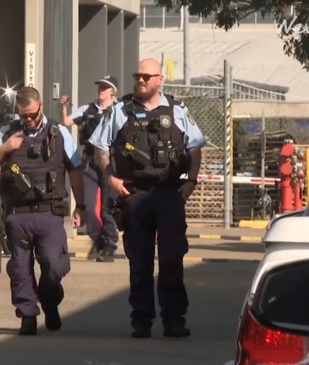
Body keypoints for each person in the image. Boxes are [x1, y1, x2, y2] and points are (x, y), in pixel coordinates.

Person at [88, 58, 206, 339]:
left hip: (168, 195)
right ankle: (141, 320)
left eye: (146, 76)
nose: (140, 80)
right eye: (137, 75)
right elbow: (100, 148)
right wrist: (111, 179)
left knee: (172, 260)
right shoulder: (119, 110)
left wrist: (190, 182)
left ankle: (174, 319)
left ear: (160, 79)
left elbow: (195, 146)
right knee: (139, 263)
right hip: (135, 195)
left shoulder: (177, 110)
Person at [0, 86, 85, 336]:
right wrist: (5, 148)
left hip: (49, 212)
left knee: (53, 265)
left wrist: (80, 206)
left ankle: (50, 303)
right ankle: (27, 315)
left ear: (40, 106)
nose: (28, 120)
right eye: (23, 115)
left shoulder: (59, 133)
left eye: (32, 114)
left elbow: (75, 169)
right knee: (19, 268)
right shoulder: (8, 132)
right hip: (18, 214)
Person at [59, 75, 120, 262]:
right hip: (91, 162)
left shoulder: (119, 110)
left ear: (112, 91)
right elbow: (66, 123)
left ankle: (109, 245)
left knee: (106, 209)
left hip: (110, 163)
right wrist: (63, 107)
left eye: (105, 87)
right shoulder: (88, 109)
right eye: (100, 86)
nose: (101, 89)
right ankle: (98, 240)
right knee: (85, 204)